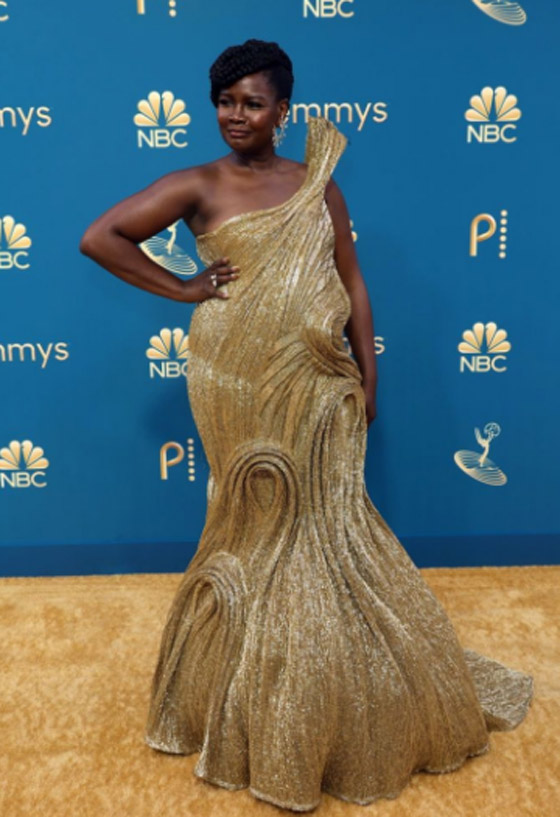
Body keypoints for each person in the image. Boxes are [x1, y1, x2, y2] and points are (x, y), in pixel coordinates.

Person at [80, 38, 534, 814]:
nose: (236, 116)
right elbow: (101, 237)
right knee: (251, 529)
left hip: (316, 377)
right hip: (233, 380)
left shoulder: (317, 183)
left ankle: (322, 691)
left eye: (252, 103)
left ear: (283, 110)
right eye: (225, 102)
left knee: (325, 524)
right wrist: (184, 288)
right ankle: (247, 696)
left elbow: (349, 278)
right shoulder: (198, 183)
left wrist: (367, 371)